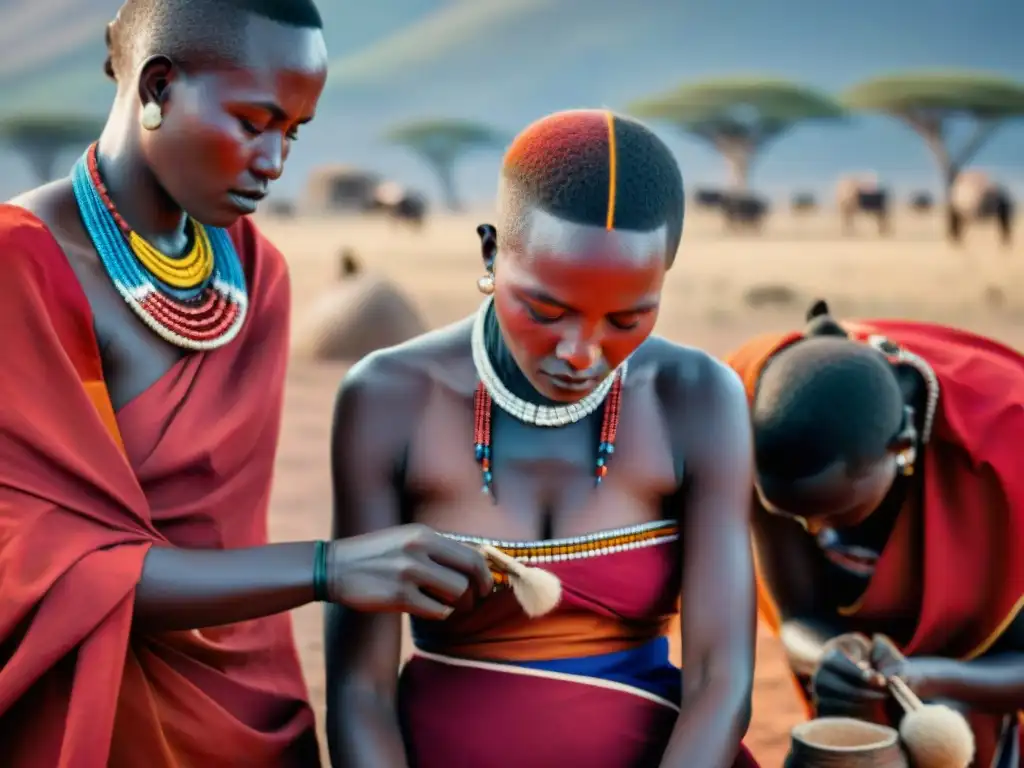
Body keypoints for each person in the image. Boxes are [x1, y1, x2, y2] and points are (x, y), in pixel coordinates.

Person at [0, 1, 491, 765]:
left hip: (256, 720)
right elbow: (47, 573)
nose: (274, 162)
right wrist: (331, 567)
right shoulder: (19, 270)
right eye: (253, 122)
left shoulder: (254, 275)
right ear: (159, 87)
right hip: (88, 723)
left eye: (293, 133)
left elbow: (229, 541)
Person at [324, 109, 761, 768]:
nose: (582, 353)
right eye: (545, 311)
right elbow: (360, 691)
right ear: (491, 251)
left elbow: (718, 679)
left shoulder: (698, 399)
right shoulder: (390, 398)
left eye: (627, 318)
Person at [725, 300, 1024, 766]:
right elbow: (798, 614)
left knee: (950, 721)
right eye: (791, 516)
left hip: (974, 694)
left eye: (836, 512)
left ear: (901, 449)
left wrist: (929, 677)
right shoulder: (755, 413)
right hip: (882, 695)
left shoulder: (1007, 460)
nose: (816, 532)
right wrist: (830, 655)